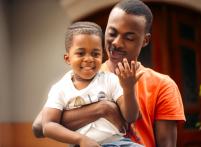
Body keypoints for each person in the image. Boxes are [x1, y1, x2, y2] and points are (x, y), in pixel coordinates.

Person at [33, 0, 186, 147]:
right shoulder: (81, 77)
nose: (117, 43)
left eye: (129, 37)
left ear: (145, 40)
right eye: (112, 33)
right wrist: (104, 109)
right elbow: (40, 127)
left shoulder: (163, 86)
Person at [41, 21, 144, 147]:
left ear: (102, 56)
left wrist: (128, 88)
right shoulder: (60, 88)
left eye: (95, 54)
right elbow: (48, 125)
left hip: (118, 143)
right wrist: (80, 139)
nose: (89, 59)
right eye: (81, 53)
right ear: (68, 58)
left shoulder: (110, 80)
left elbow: (131, 117)